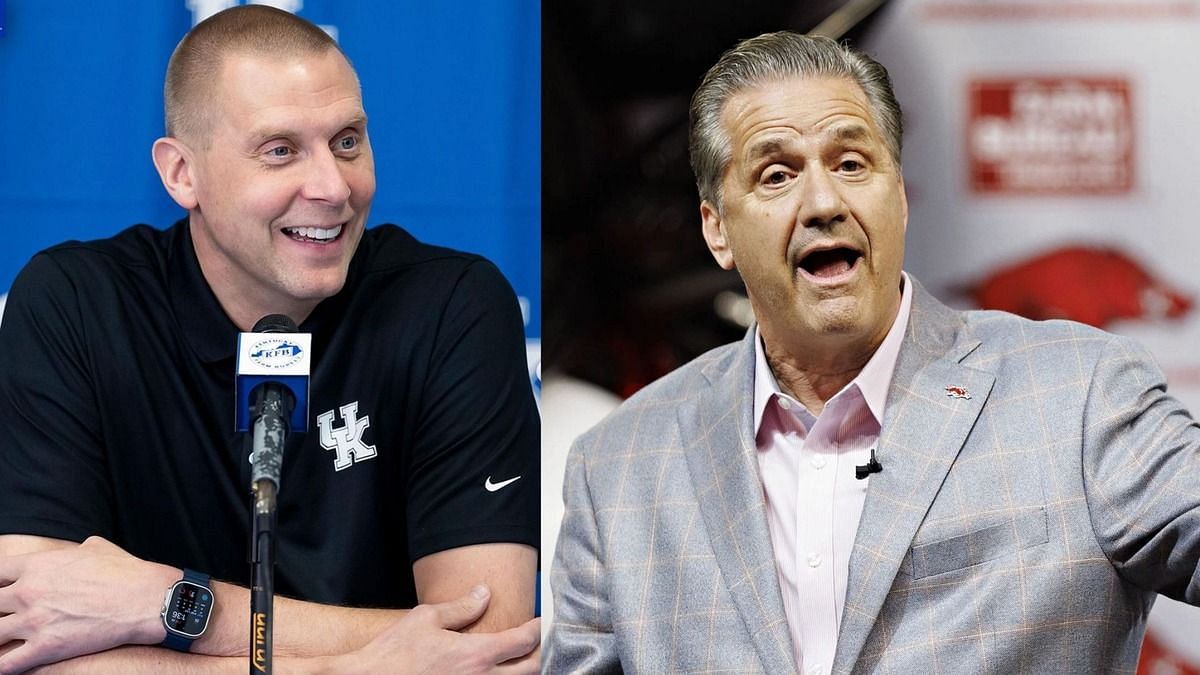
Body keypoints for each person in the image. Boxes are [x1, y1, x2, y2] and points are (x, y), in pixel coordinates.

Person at [544, 31, 1200, 673]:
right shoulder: (619, 466)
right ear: (717, 230)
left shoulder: (1080, 395)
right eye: (776, 174)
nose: (825, 201)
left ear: (900, 196)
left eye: (852, 164)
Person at [0, 6, 538, 673]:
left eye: (347, 141)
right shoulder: (75, 303)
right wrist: (352, 668)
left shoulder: (454, 306)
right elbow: (25, 641)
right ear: (180, 174)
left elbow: (492, 645)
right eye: (280, 150)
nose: (333, 186)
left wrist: (169, 602)